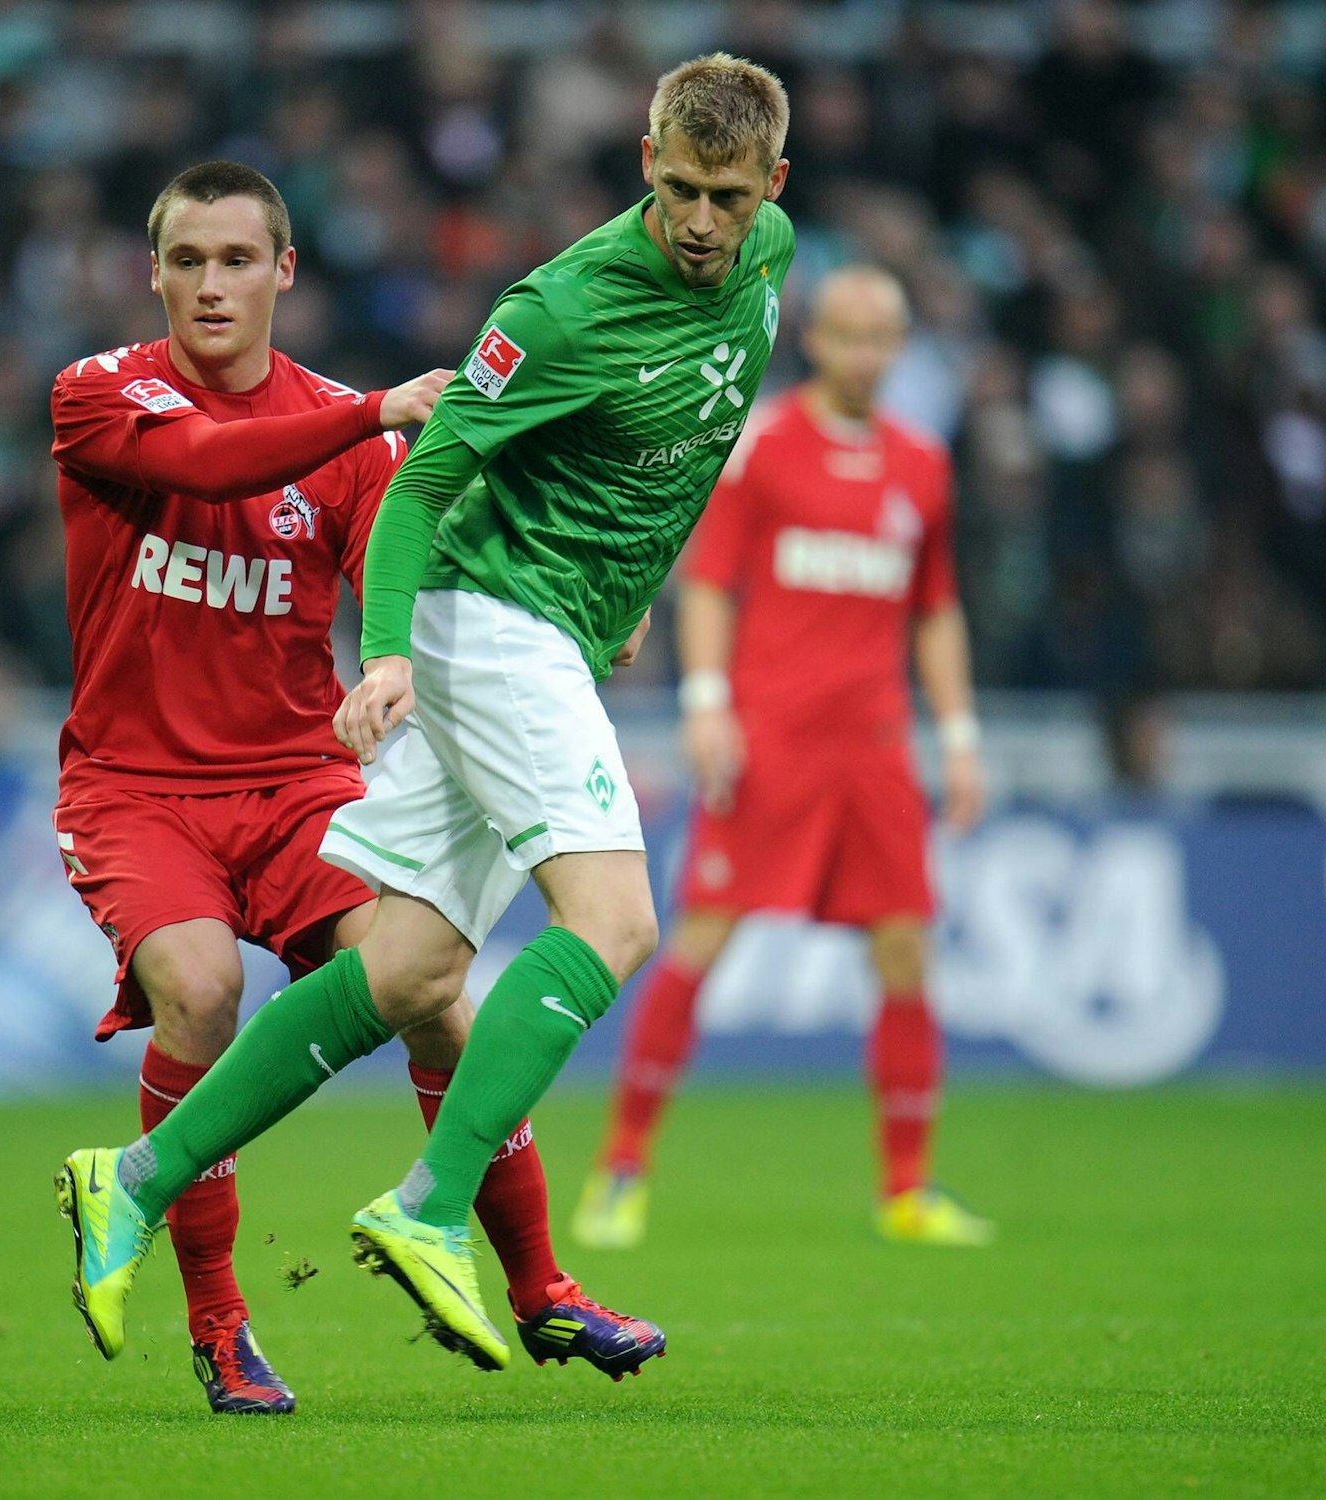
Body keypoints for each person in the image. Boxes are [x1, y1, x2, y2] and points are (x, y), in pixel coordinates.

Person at [56, 54, 793, 1376]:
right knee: (616, 920)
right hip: (493, 630)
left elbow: (669, 459)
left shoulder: (768, 255)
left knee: (407, 974)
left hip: (537, 626)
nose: (697, 220)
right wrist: (388, 653)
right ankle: (428, 1208)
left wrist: (621, 588)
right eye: (676, 187)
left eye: (723, 197)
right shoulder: (563, 306)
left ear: (769, 190)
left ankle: (143, 1173)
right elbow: (418, 486)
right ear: (642, 163)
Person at [573, 266, 994, 1251]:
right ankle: (620, 1170)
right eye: (846, 336)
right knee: (700, 940)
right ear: (814, 339)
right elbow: (708, 583)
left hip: (876, 750)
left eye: (879, 339)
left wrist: (959, 736)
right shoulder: (762, 446)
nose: (862, 355)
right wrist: (708, 703)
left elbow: (933, 609)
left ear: (897, 346)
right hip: (772, 742)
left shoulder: (921, 464)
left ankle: (906, 1188)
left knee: (902, 952)